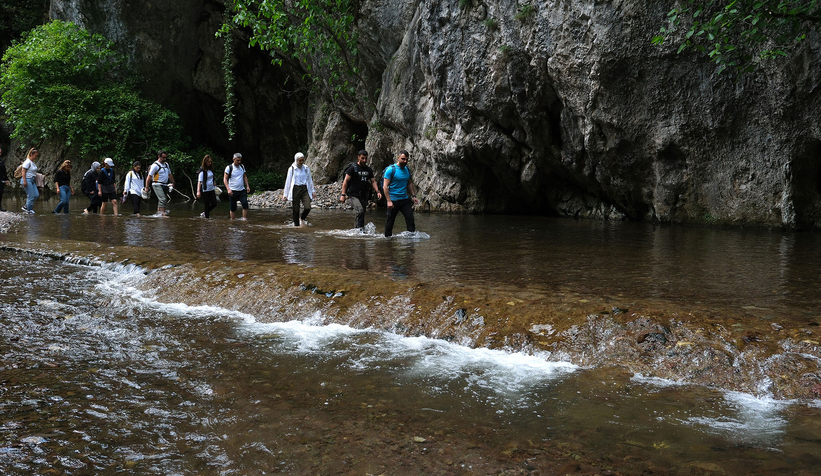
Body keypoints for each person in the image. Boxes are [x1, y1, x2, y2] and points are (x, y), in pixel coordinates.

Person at [339, 149, 382, 230]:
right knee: (360, 211)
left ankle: (359, 230)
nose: (364, 160)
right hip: (353, 194)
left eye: (366, 158)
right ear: (358, 157)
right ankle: (357, 230)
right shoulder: (352, 168)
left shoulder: (369, 170)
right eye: (362, 158)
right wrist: (343, 194)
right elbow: (346, 181)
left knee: (362, 214)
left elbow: (373, 181)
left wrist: (378, 191)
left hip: (364, 195)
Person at [383, 150, 419, 237]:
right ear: (398, 158)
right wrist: (389, 201)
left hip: (404, 200)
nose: (405, 161)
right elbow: (385, 186)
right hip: (393, 200)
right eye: (403, 159)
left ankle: (411, 240)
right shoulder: (391, 170)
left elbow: (409, 183)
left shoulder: (407, 169)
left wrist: (413, 196)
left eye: (406, 159)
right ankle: (387, 241)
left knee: (410, 219)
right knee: (390, 222)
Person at [283, 152, 315, 227]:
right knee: (296, 209)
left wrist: (313, 191)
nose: (301, 162)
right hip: (295, 189)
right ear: (296, 160)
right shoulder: (292, 169)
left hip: (304, 189)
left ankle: (302, 218)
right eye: (299, 161)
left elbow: (310, 180)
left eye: (302, 160)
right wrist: (285, 194)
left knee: (308, 207)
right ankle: (296, 226)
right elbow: (288, 182)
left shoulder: (306, 168)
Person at [145, 150, 175, 217]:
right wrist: (146, 187)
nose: (165, 159)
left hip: (164, 184)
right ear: (159, 157)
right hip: (156, 184)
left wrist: (173, 182)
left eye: (165, 157)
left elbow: (170, 174)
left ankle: (158, 214)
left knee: (162, 200)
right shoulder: (155, 165)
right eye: (163, 158)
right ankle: (163, 214)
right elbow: (149, 176)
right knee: (162, 199)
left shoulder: (166, 164)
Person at [223, 152, 250, 220]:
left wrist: (247, 186)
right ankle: (233, 221)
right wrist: (228, 189)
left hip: (242, 190)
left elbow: (244, 176)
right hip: (232, 190)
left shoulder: (242, 166)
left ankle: (244, 220)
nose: (239, 162)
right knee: (233, 207)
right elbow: (225, 179)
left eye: (240, 160)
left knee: (245, 204)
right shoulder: (229, 168)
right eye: (237, 160)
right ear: (233, 159)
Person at [20, 147, 40, 214]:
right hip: (27, 179)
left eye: (37, 156)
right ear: (31, 154)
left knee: (36, 195)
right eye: (35, 156)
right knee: (31, 196)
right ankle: (29, 210)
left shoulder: (32, 162)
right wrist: (24, 181)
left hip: (32, 180)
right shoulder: (27, 162)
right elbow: (23, 171)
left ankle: (26, 206)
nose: (36, 157)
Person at [0, 147, 9, 212]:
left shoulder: (1, 161)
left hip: (1, 179)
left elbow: (4, 171)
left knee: (0, 193)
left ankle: (0, 207)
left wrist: (6, 179)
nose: (0, 154)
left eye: (0, 152)